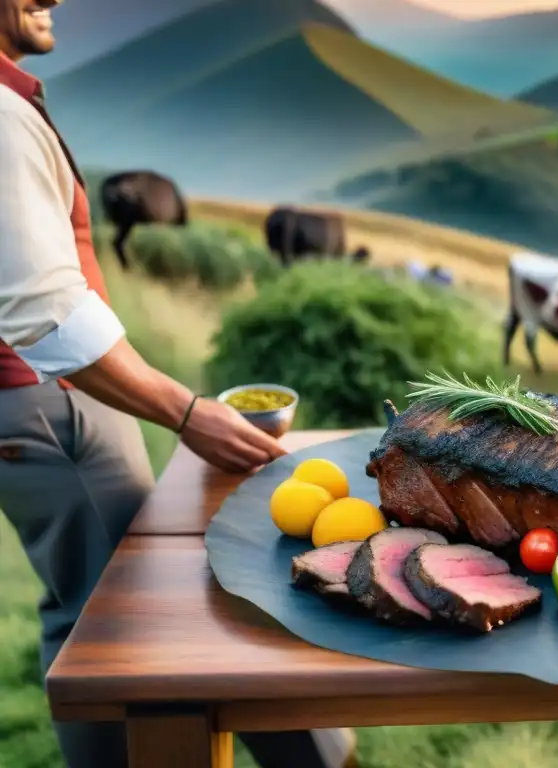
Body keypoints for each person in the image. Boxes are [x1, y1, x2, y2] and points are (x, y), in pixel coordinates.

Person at [0, 1, 356, 766]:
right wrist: (186, 411)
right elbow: (45, 312)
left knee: (88, 617)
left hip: (39, 406)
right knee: (137, 618)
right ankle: (317, 755)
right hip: (48, 402)